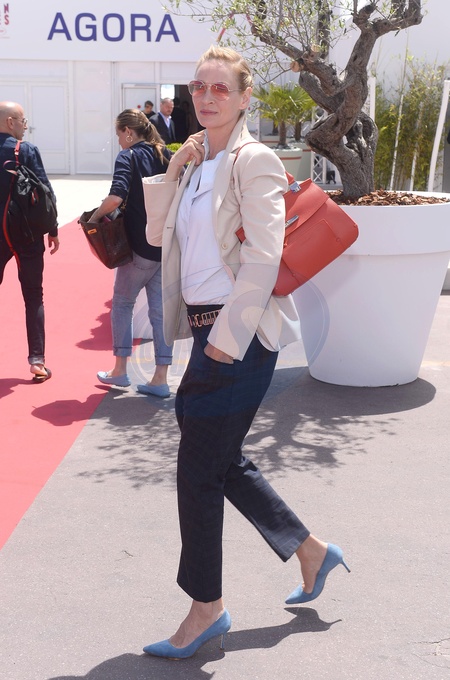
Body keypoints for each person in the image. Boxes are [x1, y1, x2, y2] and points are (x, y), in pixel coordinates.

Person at [141, 46, 350, 660]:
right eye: (198, 88)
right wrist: (174, 169)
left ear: (243, 97)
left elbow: (262, 257)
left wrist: (225, 343)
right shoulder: (199, 161)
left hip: (239, 336)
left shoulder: (252, 160)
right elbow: (155, 238)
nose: (207, 98)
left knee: (197, 472)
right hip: (207, 330)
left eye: (220, 89)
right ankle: (312, 551)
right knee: (219, 459)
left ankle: (206, 610)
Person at [91, 109, 173, 397]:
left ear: (128, 132)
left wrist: (93, 218)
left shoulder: (128, 156)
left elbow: (116, 197)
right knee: (160, 313)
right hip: (164, 245)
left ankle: (120, 370)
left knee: (123, 304)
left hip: (138, 246)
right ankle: (160, 378)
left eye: (118, 135)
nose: (118, 141)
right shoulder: (165, 154)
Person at [0, 101, 59, 383]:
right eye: (23, 120)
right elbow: (45, 191)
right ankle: (37, 361)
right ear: (10, 122)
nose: (26, 125)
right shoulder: (26, 150)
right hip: (26, 233)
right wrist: (53, 229)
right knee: (34, 295)